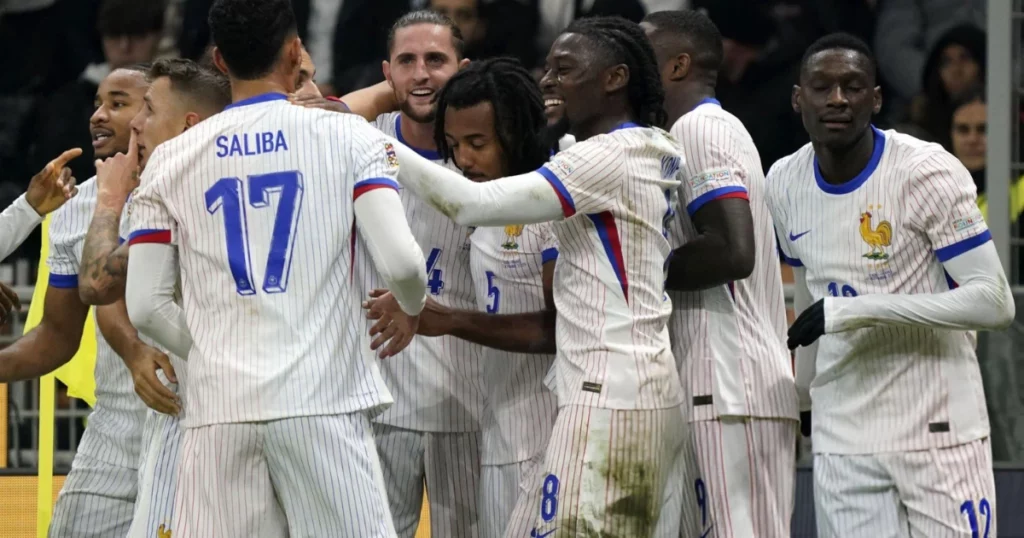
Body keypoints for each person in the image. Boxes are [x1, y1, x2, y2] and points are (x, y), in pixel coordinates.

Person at [367, 16, 696, 537]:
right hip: (637, 389)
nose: (548, 82)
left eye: (565, 70)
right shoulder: (650, 147)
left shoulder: (602, 157)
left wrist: (362, 142)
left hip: (605, 394)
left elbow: (466, 200)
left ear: (615, 78)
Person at [123, 0, 426, 536]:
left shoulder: (170, 159)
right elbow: (403, 264)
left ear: (219, 60)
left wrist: (215, 351)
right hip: (323, 404)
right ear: (295, 52)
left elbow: (145, 306)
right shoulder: (347, 136)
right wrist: (413, 305)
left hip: (220, 412)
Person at [768, 33, 1013, 538]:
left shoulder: (926, 171)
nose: (838, 99)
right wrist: (804, 397)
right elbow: (813, 297)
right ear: (799, 99)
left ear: (875, 100)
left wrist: (860, 310)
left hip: (938, 428)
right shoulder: (783, 182)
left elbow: (994, 302)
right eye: (823, 87)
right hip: (843, 436)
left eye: (853, 87)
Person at [640, 10, 799, 537]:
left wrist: (634, 268)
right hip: (708, 387)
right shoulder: (683, 132)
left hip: (732, 385)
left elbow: (733, 251)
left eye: (643, 57)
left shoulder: (702, 129)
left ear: (678, 65)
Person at [331, 11, 488, 538]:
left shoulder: (489, 149)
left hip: (468, 404)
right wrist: (384, 93)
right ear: (386, 72)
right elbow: (307, 116)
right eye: (407, 62)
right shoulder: (358, 139)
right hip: (378, 398)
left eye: (436, 61)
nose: (422, 74)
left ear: (463, 69)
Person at [77, 58, 231, 538]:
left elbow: (99, 283)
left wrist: (109, 200)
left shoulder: (166, 184)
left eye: (146, 110)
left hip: (189, 406)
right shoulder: (252, 170)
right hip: (275, 394)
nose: (136, 125)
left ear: (189, 125)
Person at [0, 65, 150, 538]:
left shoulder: (202, 186)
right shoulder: (73, 209)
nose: (98, 116)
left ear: (157, 113)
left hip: (202, 417)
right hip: (115, 424)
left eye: (117, 103)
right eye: (97, 104)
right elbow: (57, 336)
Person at [429, 57, 558, 538]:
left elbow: (560, 327)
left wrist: (450, 320)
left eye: (477, 143)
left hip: (551, 440)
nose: (463, 159)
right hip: (499, 437)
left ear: (516, 131)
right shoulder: (483, 203)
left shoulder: (552, 205)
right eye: (454, 144)